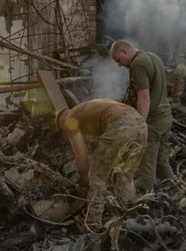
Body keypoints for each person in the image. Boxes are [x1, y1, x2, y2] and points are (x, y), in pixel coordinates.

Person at [55, 99, 147, 231]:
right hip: (140, 125)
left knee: (97, 179)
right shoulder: (86, 109)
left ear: (62, 123)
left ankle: (92, 226)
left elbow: (81, 155)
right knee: (125, 176)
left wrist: (83, 182)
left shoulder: (69, 120)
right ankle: (129, 218)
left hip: (121, 125)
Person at [109, 40, 174, 193]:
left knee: (146, 171)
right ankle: (177, 194)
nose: (119, 64)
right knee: (162, 163)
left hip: (152, 124)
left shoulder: (137, 64)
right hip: (165, 118)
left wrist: (139, 127)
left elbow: (144, 98)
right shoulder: (152, 56)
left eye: (118, 60)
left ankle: (139, 202)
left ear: (124, 50)